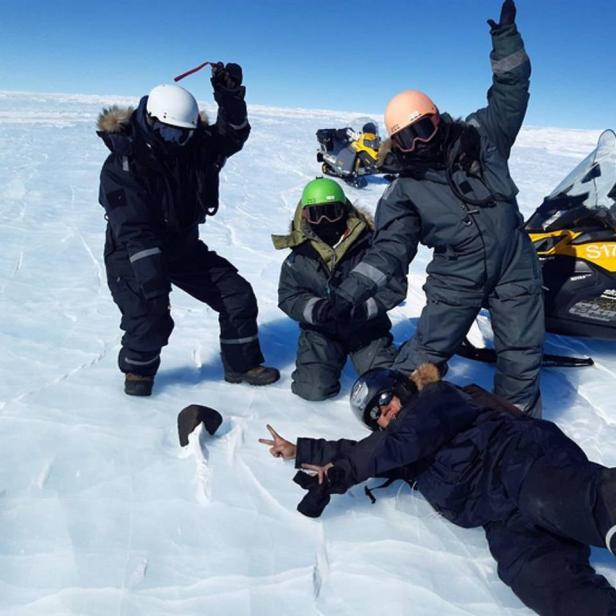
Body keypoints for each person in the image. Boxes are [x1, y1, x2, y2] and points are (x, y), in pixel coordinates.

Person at [319, 0, 544, 417]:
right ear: (395, 145)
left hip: (515, 265)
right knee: (426, 354)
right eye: (406, 139)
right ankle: (397, 420)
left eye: (423, 130)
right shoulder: (404, 191)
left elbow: (512, 91)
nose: (418, 145)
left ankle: (520, 438)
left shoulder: (482, 135)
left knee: (521, 358)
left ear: (437, 120)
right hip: (457, 277)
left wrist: (505, 40)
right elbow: (388, 250)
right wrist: (349, 292)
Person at [259, 366, 616, 615]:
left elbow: (387, 446)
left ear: (402, 389)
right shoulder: (399, 448)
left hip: (522, 462)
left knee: (574, 500)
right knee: (534, 577)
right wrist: (301, 452)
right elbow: (365, 450)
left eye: (385, 399)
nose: (383, 412)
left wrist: (343, 472)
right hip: (500, 515)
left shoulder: (437, 399)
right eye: (375, 417)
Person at [96, 65, 279, 396]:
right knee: (151, 317)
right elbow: (135, 230)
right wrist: (155, 288)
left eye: (183, 134)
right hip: (132, 252)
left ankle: (241, 365)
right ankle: (138, 372)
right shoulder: (123, 165)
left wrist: (230, 97)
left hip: (182, 246)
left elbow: (233, 134)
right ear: (151, 122)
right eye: (169, 133)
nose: (176, 142)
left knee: (236, 294)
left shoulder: (191, 146)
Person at [271, 177, 407, 400]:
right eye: (317, 214)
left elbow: (394, 286)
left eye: (332, 211)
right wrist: (317, 310)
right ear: (305, 215)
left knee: (386, 386)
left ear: (344, 210)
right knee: (312, 391)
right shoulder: (300, 255)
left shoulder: (370, 246)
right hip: (321, 332)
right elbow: (288, 295)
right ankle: (326, 361)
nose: (325, 220)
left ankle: (408, 356)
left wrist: (362, 310)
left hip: (366, 329)